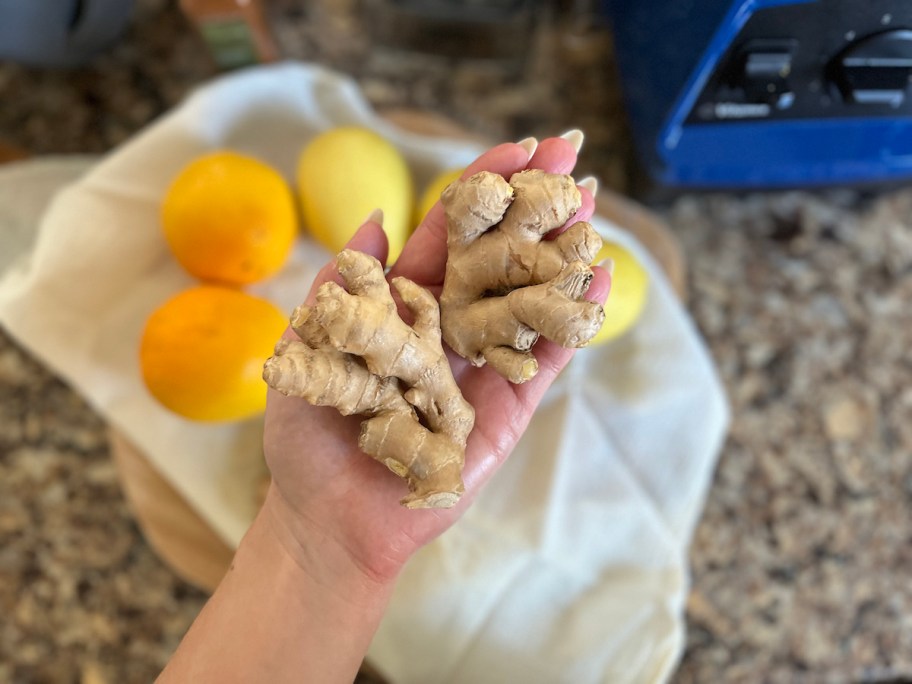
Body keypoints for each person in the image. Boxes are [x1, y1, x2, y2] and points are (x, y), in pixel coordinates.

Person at [156, 132, 610, 682]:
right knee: (400, 387)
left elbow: (423, 358)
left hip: (431, 372)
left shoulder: (443, 358)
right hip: (424, 377)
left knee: (424, 382)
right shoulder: (421, 380)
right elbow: (400, 373)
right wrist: (318, 536)